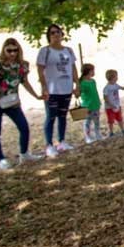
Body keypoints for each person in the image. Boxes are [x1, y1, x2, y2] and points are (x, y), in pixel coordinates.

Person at [0, 39, 42, 165]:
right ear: (4, 50)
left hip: (12, 101)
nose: (12, 53)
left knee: (24, 127)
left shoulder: (22, 65)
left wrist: (36, 96)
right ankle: (0, 159)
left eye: (15, 50)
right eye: (9, 50)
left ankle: (24, 153)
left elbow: (24, 82)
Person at [36, 23, 79, 155]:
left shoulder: (69, 50)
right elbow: (40, 70)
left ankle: (62, 141)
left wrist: (77, 84)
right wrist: (44, 87)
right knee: (51, 116)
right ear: (49, 36)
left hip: (66, 88)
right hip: (52, 89)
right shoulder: (45, 51)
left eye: (57, 32)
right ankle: (49, 144)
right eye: (52, 33)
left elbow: (73, 68)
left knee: (62, 115)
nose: (55, 34)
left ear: (62, 34)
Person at [79, 63, 103, 144]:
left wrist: (98, 101)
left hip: (95, 104)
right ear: (88, 71)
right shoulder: (82, 83)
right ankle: (88, 137)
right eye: (92, 70)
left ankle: (98, 134)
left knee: (97, 121)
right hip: (87, 106)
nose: (94, 72)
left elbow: (95, 92)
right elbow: (81, 94)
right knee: (87, 123)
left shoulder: (93, 81)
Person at [102, 69, 124, 137]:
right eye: (116, 76)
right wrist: (111, 105)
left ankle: (123, 130)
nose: (117, 78)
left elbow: (123, 88)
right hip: (109, 107)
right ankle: (111, 132)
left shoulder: (116, 85)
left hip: (117, 105)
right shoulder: (106, 88)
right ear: (112, 77)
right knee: (111, 120)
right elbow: (105, 97)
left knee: (120, 118)